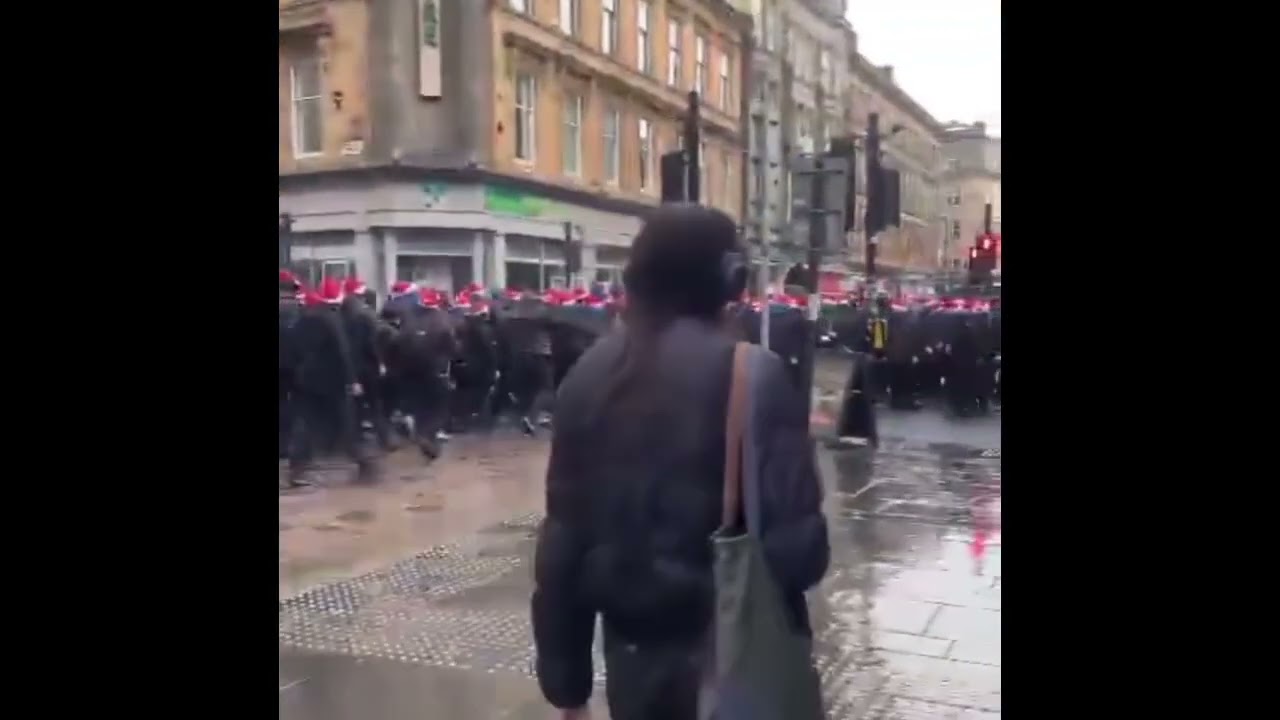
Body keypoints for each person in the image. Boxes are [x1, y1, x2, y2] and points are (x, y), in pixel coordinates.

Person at [531, 204, 830, 720]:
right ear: (730, 278)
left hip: (633, 669)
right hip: (734, 664)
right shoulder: (753, 375)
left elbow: (563, 547)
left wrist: (568, 689)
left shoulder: (588, 373)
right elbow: (801, 555)